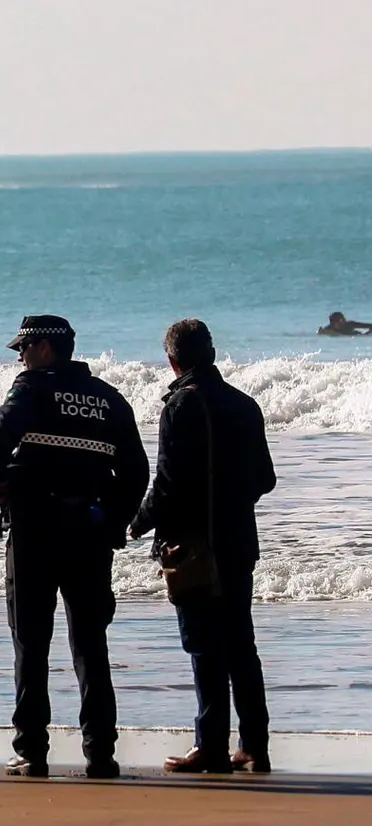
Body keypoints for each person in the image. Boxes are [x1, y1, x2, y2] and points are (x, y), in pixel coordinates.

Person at [0, 315, 147, 779]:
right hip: (90, 535)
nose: (19, 355)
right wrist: (113, 522)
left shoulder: (30, 389)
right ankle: (100, 752)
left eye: (24, 347)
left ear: (46, 350)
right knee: (91, 645)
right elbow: (137, 474)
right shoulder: (110, 400)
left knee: (30, 644)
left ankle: (31, 750)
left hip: (34, 530)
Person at [131, 319, 277, 774]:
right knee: (241, 645)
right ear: (211, 353)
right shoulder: (245, 404)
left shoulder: (180, 404)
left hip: (192, 547)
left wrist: (135, 524)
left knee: (203, 646)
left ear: (172, 360)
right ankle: (254, 745)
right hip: (238, 542)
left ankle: (210, 745)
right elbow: (266, 479)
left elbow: (168, 483)